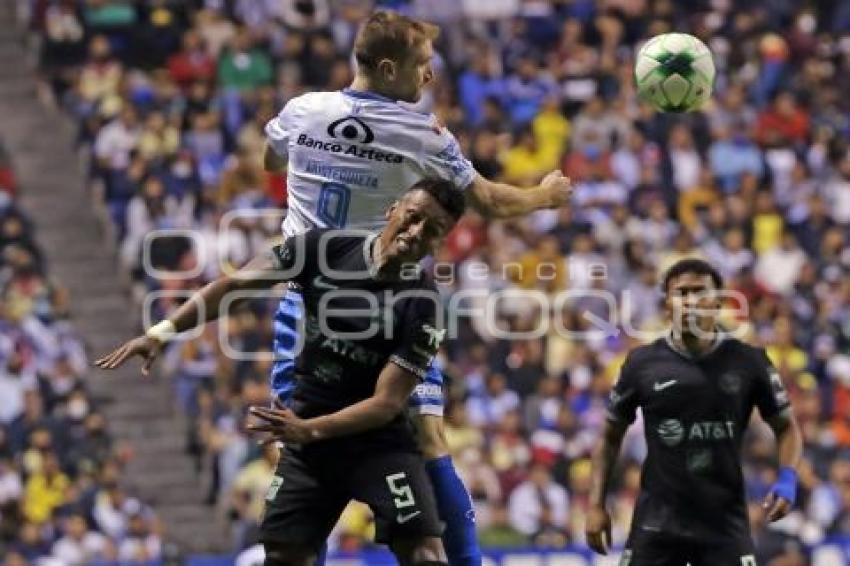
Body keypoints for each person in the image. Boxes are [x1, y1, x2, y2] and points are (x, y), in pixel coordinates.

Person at [262, 11, 573, 566]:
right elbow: (492, 202)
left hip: (308, 306)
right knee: (426, 440)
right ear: (388, 68)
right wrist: (545, 196)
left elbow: (272, 157)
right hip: (390, 303)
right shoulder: (422, 133)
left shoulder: (302, 111)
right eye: (422, 66)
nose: (428, 77)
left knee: (305, 447)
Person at [96, 179, 466, 566]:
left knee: (426, 556)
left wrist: (311, 429)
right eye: (413, 217)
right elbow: (235, 286)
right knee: (283, 556)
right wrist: (162, 332)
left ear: (439, 243)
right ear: (393, 210)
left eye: (432, 230)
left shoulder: (424, 305)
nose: (416, 232)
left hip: (376, 443)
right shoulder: (324, 248)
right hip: (308, 437)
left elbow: (386, 404)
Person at [585, 258, 803, 565]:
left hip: (724, 525)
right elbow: (609, 437)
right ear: (667, 305)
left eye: (699, 292)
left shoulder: (749, 361)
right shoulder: (641, 364)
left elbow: (786, 426)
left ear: (717, 303)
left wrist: (787, 478)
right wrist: (596, 504)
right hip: (656, 523)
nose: (690, 301)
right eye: (681, 293)